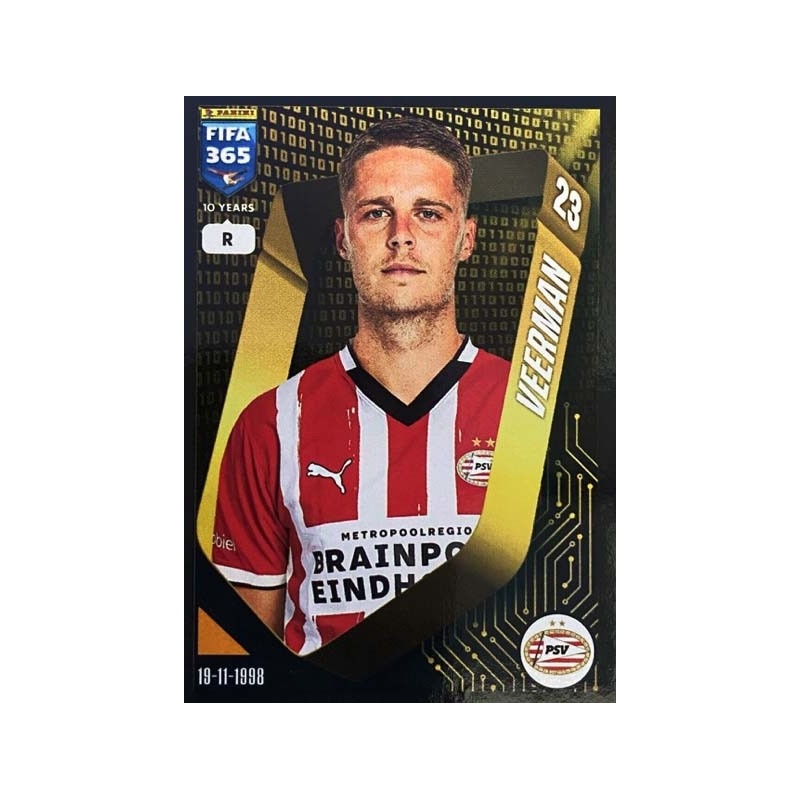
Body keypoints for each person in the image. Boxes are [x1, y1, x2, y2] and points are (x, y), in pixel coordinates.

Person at [212, 116, 510, 655]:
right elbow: (243, 657)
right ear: (343, 238)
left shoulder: (533, 414)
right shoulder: (270, 424)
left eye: (428, 213)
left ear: (465, 239)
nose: (401, 234)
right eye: (376, 213)